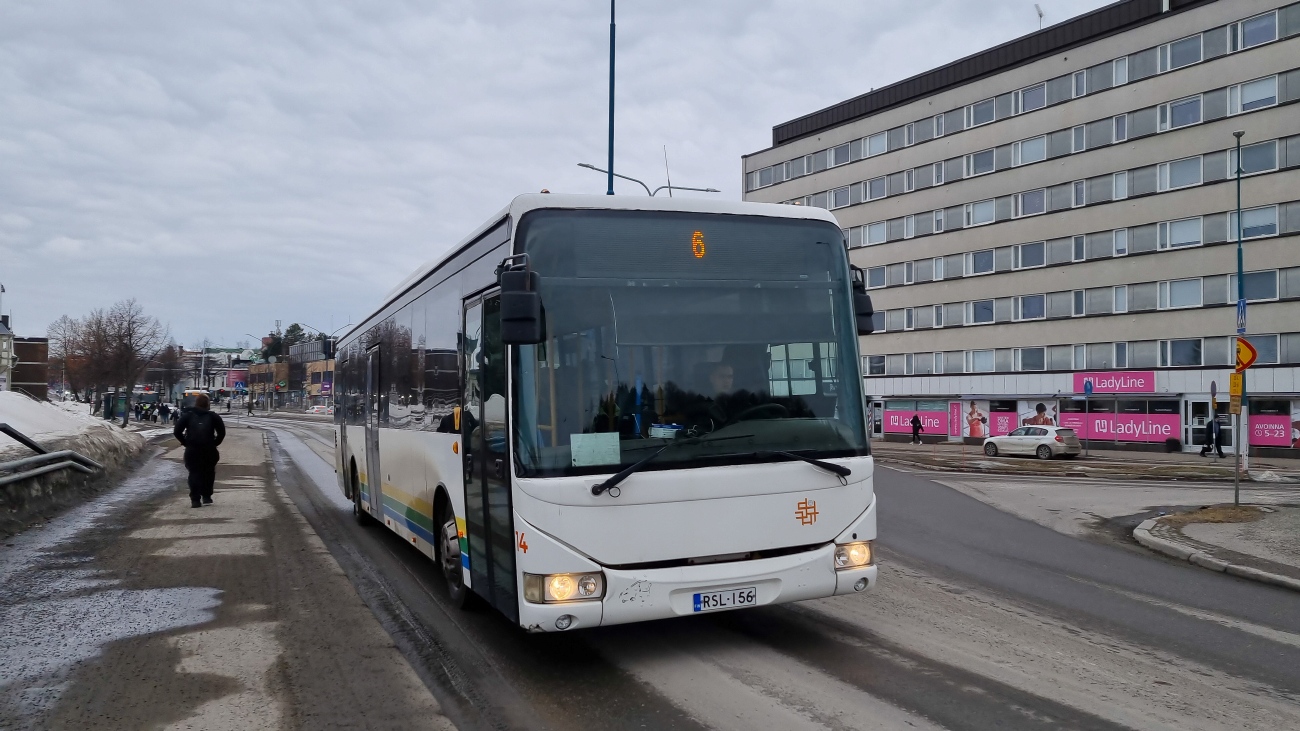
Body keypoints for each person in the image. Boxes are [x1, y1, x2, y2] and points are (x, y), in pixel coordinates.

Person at [174, 393, 226, 508]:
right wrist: (214, 443)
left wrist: (185, 442)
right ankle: (206, 497)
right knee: (209, 472)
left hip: (192, 450)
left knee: (194, 473)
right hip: (209, 450)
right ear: (208, 404)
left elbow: (177, 431)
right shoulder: (213, 416)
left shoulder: (187, 416)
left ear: (196, 403)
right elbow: (222, 433)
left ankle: (195, 499)